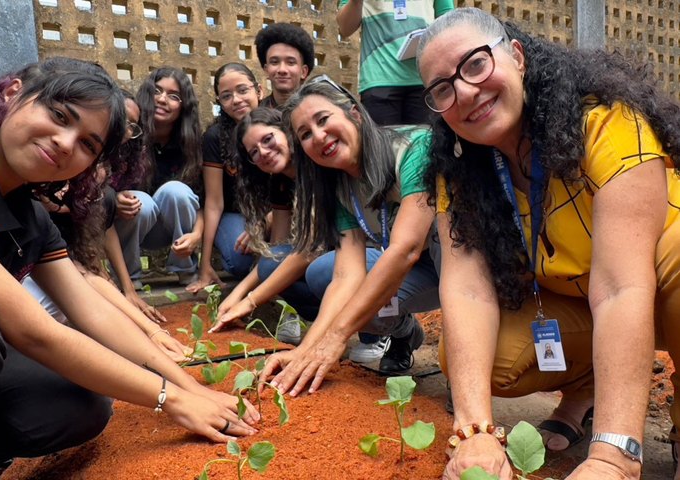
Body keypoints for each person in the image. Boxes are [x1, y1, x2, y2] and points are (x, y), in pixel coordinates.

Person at [0, 57, 258, 480]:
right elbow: (34, 332)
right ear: (10, 94)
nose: (64, 142)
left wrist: (190, 386)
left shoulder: (29, 213)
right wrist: (172, 401)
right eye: (58, 116)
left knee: (82, 402)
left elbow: (91, 310)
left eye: (88, 144)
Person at [416, 8, 680, 480]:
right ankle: (588, 386)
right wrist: (474, 430)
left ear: (517, 57)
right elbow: (467, 291)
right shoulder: (459, 172)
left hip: (658, 290)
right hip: (590, 302)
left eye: (475, 64)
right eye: (442, 89)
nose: (464, 92)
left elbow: (621, 288)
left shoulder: (606, 122)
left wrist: (612, 456)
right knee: (479, 359)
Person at [258, 75, 440, 396]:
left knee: (350, 314)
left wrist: (336, 338)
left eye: (323, 119)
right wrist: (307, 348)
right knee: (325, 274)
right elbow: (346, 275)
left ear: (354, 112)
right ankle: (402, 332)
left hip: (457, 263)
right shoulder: (340, 184)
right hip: (418, 271)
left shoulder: (414, 148)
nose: (319, 136)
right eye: (305, 134)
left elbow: (406, 248)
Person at [24, 93, 190, 361]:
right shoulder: (30, 194)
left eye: (131, 124)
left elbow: (88, 262)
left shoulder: (97, 180)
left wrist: (148, 326)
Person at [208, 107, 317, 345]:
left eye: (268, 139)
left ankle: (379, 333)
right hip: (319, 258)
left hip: (348, 256)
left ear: (286, 131)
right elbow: (278, 248)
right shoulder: (280, 181)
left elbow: (309, 251)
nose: (264, 153)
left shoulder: (315, 167)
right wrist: (236, 295)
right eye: (254, 152)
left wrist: (249, 301)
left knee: (321, 270)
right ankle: (311, 316)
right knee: (271, 261)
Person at [113, 67, 204, 287]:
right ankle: (129, 278)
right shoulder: (129, 132)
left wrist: (197, 235)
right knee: (140, 202)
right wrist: (114, 200)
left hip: (170, 231)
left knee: (176, 191)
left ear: (184, 107)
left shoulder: (190, 146)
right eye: (157, 91)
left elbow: (201, 201)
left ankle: (186, 270)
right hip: (130, 225)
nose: (162, 100)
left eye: (174, 96)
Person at [187, 63, 261, 293]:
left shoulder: (274, 126)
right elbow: (214, 202)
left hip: (272, 212)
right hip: (235, 213)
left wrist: (263, 224)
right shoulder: (214, 137)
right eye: (226, 96)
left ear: (259, 90)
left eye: (242, 90)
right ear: (219, 101)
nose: (236, 100)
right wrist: (204, 264)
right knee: (241, 260)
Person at [336, 0, 454, 126]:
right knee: (382, 145)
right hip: (378, 79)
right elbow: (345, 28)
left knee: (426, 144)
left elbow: (449, 22)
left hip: (425, 79)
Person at [254, 22, 315, 110]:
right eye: (274, 62)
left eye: (290, 62)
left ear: (303, 71)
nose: (282, 70)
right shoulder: (255, 117)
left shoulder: (319, 111)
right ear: (266, 70)